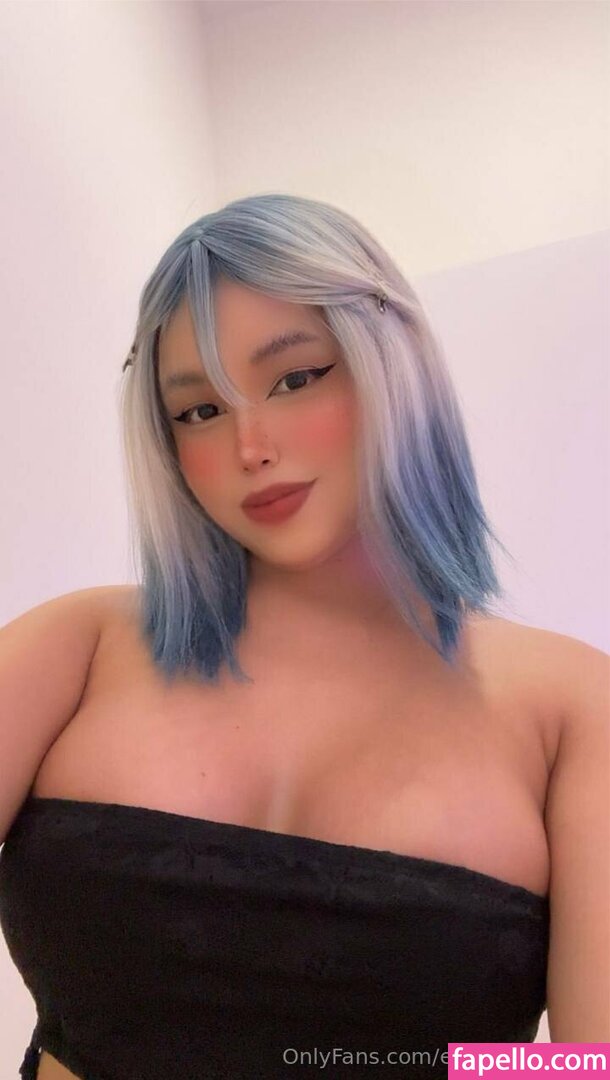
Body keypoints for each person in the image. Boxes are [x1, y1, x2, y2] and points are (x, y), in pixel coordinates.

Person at [0, 193, 607, 1080]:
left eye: (295, 379)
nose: (250, 446)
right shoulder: (77, 648)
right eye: (199, 411)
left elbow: (588, 1064)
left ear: (392, 365)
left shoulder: (573, 706)